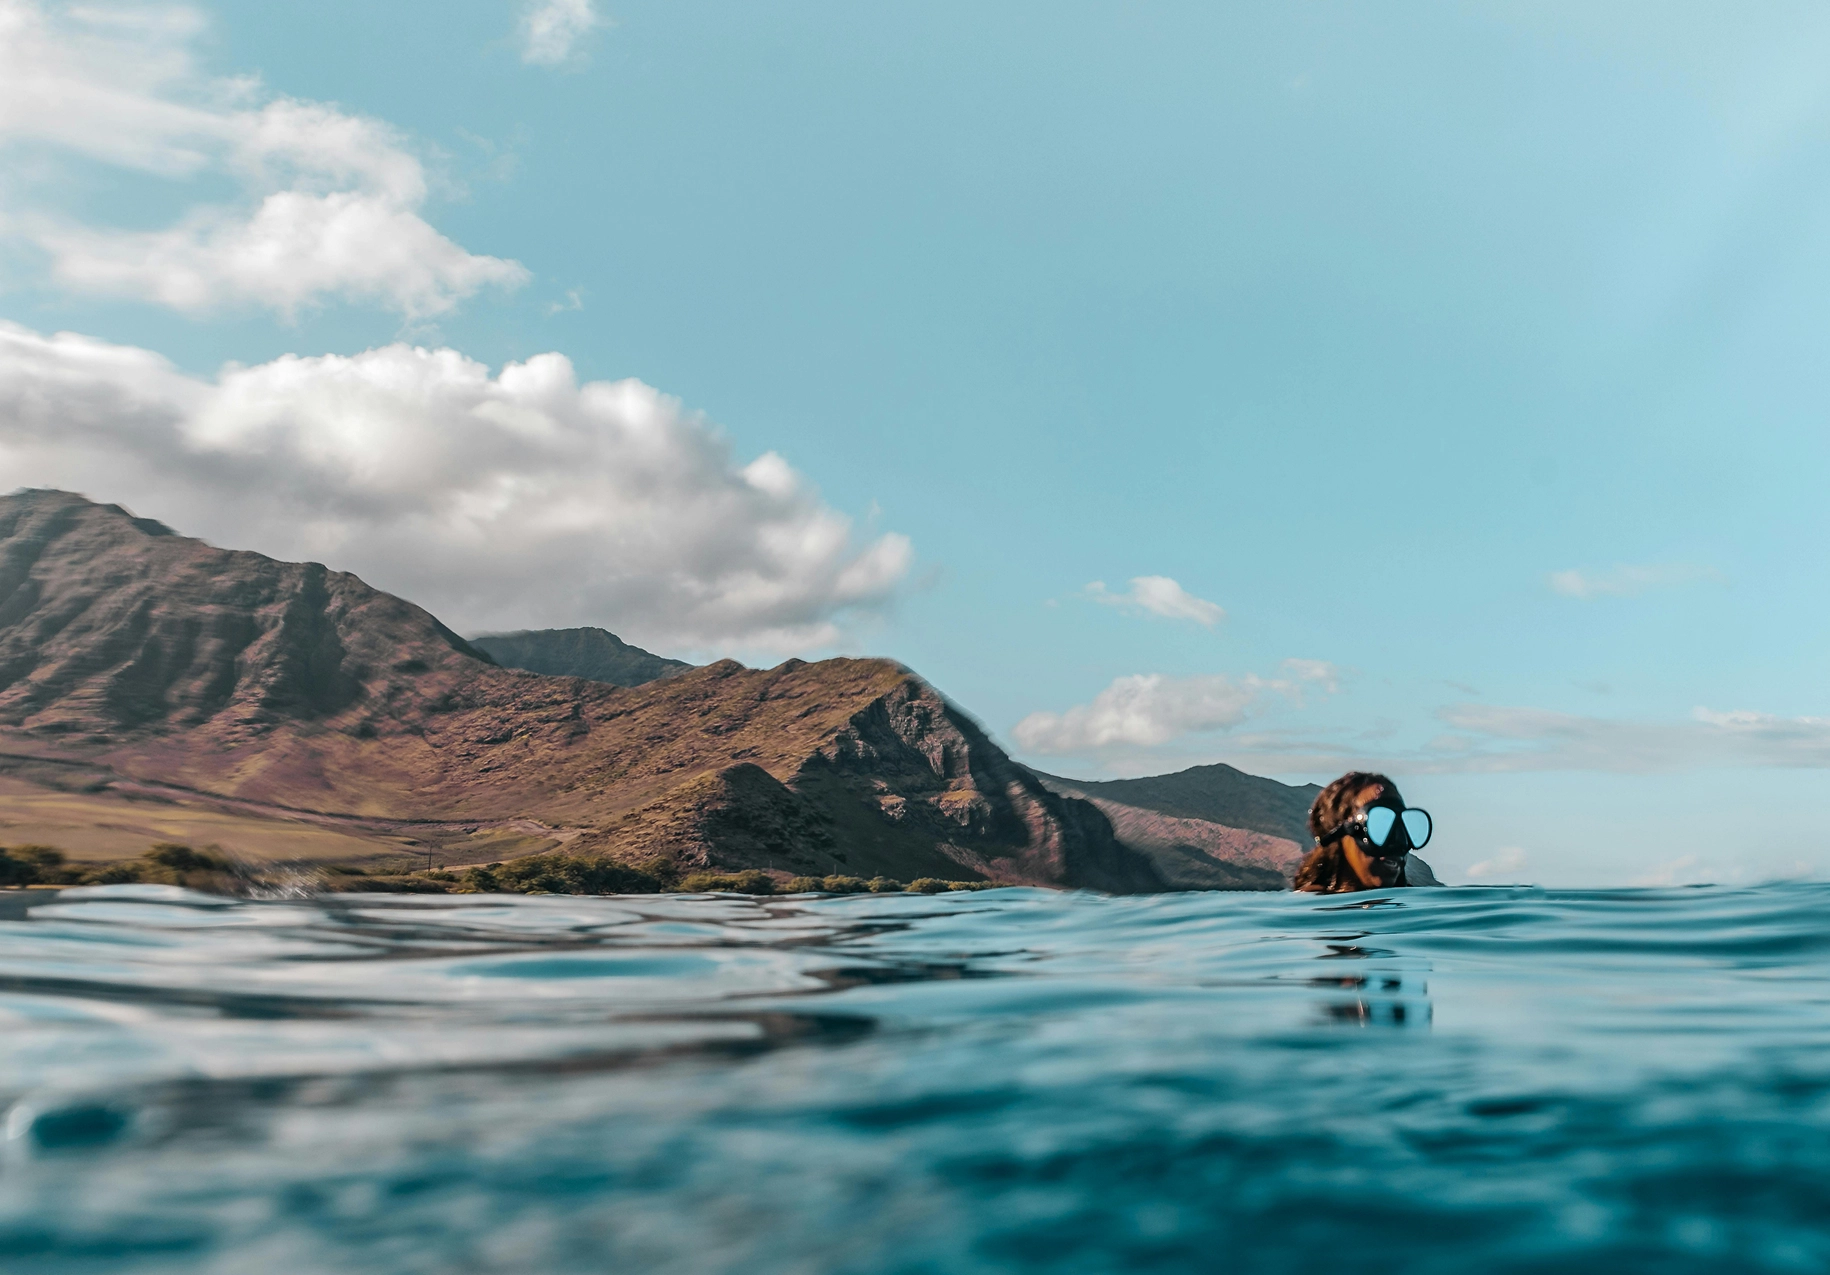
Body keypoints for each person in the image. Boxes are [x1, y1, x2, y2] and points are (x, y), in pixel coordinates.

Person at [1293, 770, 1442, 893]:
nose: (1398, 841)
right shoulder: (1310, 910)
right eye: (1379, 826)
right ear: (1338, 834)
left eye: (1402, 826)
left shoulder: (1413, 908)